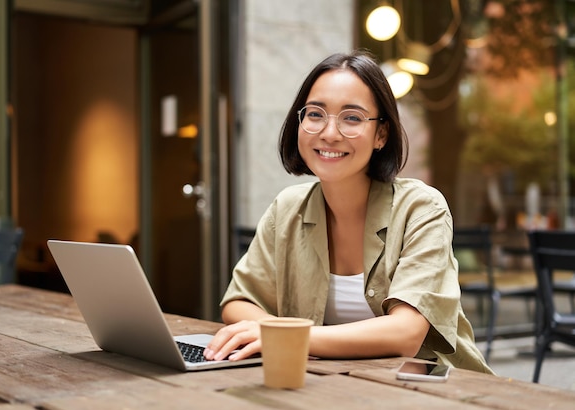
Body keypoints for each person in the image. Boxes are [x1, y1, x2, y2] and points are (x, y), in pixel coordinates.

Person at [204, 49, 493, 374]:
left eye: (352, 118)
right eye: (315, 114)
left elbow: (406, 333)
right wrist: (276, 335)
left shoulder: (421, 207)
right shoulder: (288, 207)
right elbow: (239, 302)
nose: (329, 133)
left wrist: (287, 337)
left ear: (381, 134)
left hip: (441, 395)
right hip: (331, 387)